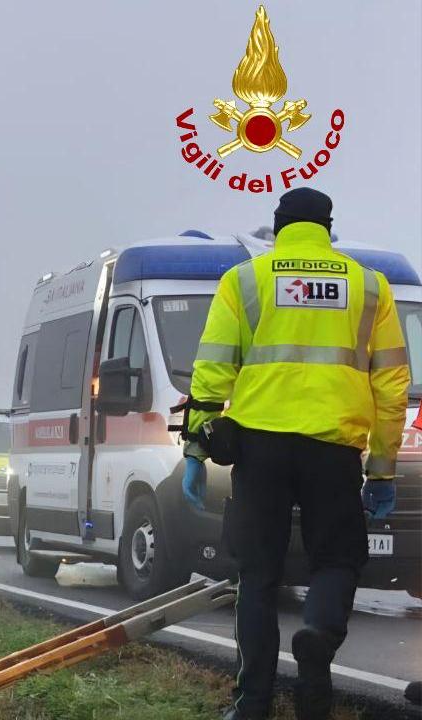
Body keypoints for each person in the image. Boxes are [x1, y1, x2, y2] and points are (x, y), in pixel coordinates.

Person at [182, 187, 410, 720]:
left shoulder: (244, 280)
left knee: (257, 576)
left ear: (278, 226)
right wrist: (380, 469)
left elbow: (213, 367)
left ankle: (253, 704)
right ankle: (316, 652)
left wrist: (195, 446)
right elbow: (393, 385)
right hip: (333, 452)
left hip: (259, 449)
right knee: (337, 559)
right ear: (329, 228)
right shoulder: (369, 287)